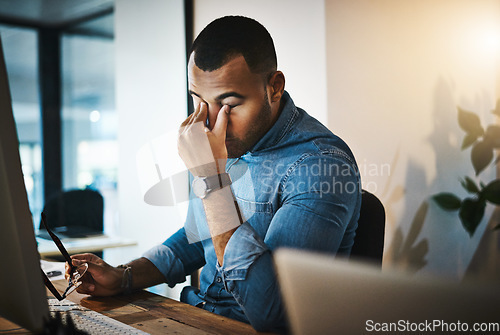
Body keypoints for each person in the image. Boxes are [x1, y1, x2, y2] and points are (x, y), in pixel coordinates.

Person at [67, 16, 361, 333]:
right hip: (196, 316)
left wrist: (210, 178)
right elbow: (196, 239)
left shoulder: (321, 166)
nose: (209, 123)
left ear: (274, 87)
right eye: (198, 100)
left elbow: (272, 312)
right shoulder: (229, 143)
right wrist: (124, 276)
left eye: (230, 104)